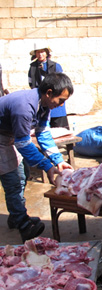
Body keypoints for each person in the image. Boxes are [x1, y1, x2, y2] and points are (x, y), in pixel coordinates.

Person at [0, 72, 74, 243]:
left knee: (22, 175)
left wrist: (58, 160)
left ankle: (16, 215)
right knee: (13, 180)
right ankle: (22, 223)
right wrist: (47, 166)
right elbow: (24, 143)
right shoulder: (24, 107)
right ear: (49, 93)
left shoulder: (44, 105)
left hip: (10, 136)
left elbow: (43, 133)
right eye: (61, 100)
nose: (61, 105)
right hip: (3, 137)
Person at [28, 44, 69, 129]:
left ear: (46, 53)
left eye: (42, 52)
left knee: (60, 130)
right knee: (43, 129)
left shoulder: (55, 66)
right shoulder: (32, 67)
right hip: (42, 101)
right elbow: (31, 83)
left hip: (55, 101)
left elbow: (62, 83)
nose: (40, 54)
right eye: (38, 52)